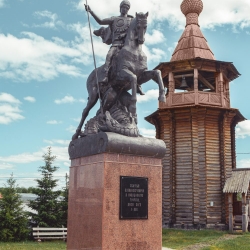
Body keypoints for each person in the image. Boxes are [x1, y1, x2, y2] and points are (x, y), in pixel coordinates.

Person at [85, 0, 133, 83]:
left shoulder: (131, 20)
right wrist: (91, 11)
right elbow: (100, 21)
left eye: (126, 8)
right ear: (120, 8)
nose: (125, 9)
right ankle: (105, 76)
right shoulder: (114, 19)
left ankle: (137, 81)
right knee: (109, 56)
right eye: (123, 7)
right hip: (115, 45)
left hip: (127, 45)